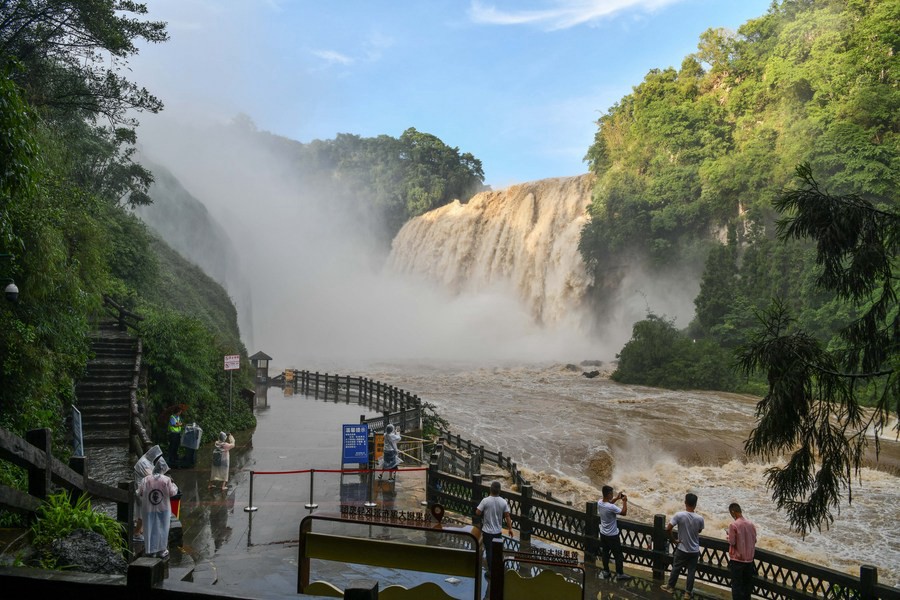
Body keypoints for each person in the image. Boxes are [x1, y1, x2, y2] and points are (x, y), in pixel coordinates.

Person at [661, 492, 705, 595]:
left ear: (685, 502)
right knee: (691, 572)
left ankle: (670, 587)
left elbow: (668, 529)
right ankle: (688, 593)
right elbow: (699, 531)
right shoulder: (700, 518)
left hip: (682, 548)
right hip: (694, 550)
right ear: (695, 504)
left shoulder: (679, 515)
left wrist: (673, 540)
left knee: (676, 568)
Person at [138, 455, 178, 559]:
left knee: (149, 528)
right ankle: (162, 550)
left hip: (148, 508)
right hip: (163, 508)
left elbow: (140, 492)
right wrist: (174, 485)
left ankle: (150, 550)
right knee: (163, 528)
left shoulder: (146, 479)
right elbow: (172, 493)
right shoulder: (166, 480)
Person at [475, 480, 514, 578]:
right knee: (497, 551)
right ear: (499, 491)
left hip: (487, 531)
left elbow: (478, 512)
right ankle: (497, 569)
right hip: (497, 531)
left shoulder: (485, 500)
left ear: (490, 489)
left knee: (489, 551)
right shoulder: (503, 502)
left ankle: (490, 571)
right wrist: (510, 529)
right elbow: (507, 516)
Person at [597, 485, 632, 581]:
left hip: (603, 533)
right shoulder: (611, 507)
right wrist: (624, 502)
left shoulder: (600, 502)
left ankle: (606, 571)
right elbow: (624, 512)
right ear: (608, 495)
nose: (612, 495)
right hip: (612, 535)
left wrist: (616, 498)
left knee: (605, 553)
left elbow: (609, 504)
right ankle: (620, 573)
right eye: (612, 494)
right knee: (618, 555)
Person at [727, 503, 757, 600]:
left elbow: (732, 542)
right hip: (749, 561)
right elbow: (754, 540)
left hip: (737, 560)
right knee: (747, 587)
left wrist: (728, 536)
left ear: (733, 512)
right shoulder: (751, 524)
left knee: (736, 587)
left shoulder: (733, 525)